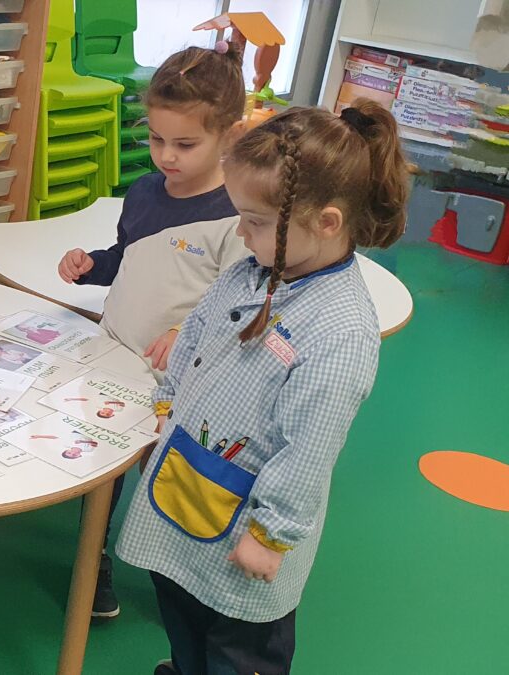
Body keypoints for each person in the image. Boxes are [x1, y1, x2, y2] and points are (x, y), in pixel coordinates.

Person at [116, 100, 410, 675]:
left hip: (249, 525)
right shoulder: (250, 270)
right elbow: (195, 337)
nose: (239, 232)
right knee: (182, 610)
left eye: (254, 221)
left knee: (238, 647)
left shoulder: (341, 329)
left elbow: (310, 448)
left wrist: (270, 536)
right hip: (189, 478)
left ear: (326, 222)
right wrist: (166, 405)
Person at [56, 42, 251, 620]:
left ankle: (186, 579)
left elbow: (239, 303)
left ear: (230, 137)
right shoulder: (142, 193)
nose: (166, 155)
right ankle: (97, 565)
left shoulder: (237, 215)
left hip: (181, 379)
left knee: (172, 477)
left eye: (185, 144)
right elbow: (129, 258)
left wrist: (188, 328)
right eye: (157, 139)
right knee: (105, 471)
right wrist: (93, 264)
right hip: (114, 359)